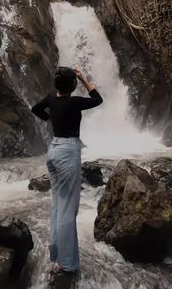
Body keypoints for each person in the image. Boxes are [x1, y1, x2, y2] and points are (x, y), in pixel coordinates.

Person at [31, 66, 103, 279]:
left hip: (53, 150)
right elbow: (98, 99)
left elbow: (36, 109)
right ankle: (67, 265)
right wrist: (83, 78)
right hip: (67, 153)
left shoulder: (52, 98)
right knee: (68, 209)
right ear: (72, 85)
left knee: (58, 204)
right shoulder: (74, 102)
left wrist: (50, 119)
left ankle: (56, 255)